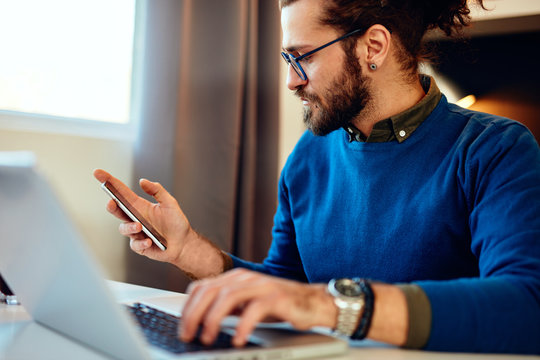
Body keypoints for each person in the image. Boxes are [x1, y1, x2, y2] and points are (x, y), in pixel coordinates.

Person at [94, 0, 540, 354]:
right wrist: (189, 250)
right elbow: (283, 286)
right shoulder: (309, 155)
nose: (291, 80)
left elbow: (526, 306)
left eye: (302, 56)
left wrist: (330, 304)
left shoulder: (494, 150)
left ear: (374, 47)